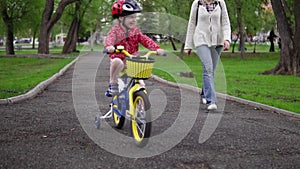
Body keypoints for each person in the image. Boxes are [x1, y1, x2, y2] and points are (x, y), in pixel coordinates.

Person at [104, 0, 164, 97]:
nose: (134, 20)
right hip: (120, 60)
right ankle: (112, 84)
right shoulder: (115, 30)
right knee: (116, 61)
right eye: (131, 17)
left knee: (141, 84)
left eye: (135, 17)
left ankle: (140, 104)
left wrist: (156, 48)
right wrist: (109, 46)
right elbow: (110, 38)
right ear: (121, 18)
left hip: (132, 62)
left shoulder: (135, 30)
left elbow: (145, 39)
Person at [184, 0, 231, 110]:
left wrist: (227, 39)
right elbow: (191, 24)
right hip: (201, 40)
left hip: (218, 41)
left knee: (211, 71)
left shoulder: (220, 3)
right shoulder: (197, 3)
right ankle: (211, 101)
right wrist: (188, 45)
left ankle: (204, 94)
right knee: (208, 69)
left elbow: (225, 22)